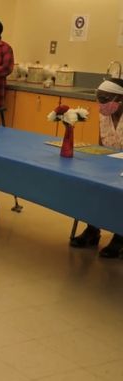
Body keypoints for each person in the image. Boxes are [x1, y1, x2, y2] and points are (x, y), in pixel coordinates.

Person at [70, 78, 123, 258]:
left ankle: (120, 236)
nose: (101, 104)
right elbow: (102, 144)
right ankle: (92, 229)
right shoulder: (104, 115)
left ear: (120, 98)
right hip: (110, 163)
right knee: (93, 185)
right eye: (99, 98)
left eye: (105, 99)